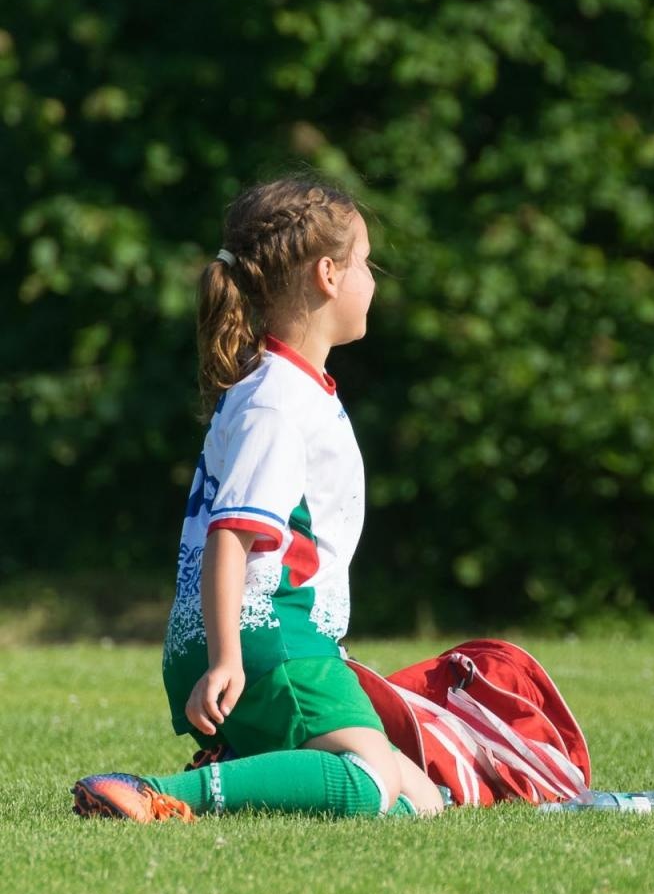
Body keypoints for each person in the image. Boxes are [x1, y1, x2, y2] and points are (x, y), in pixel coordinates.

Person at [73, 178, 443, 822]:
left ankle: (236, 767)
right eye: (365, 263)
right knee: (368, 785)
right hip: (270, 638)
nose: (373, 280)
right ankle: (160, 794)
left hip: (260, 639)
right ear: (328, 275)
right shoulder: (277, 401)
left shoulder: (279, 387)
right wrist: (226, 659)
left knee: (422, 802)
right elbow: (230, 536)